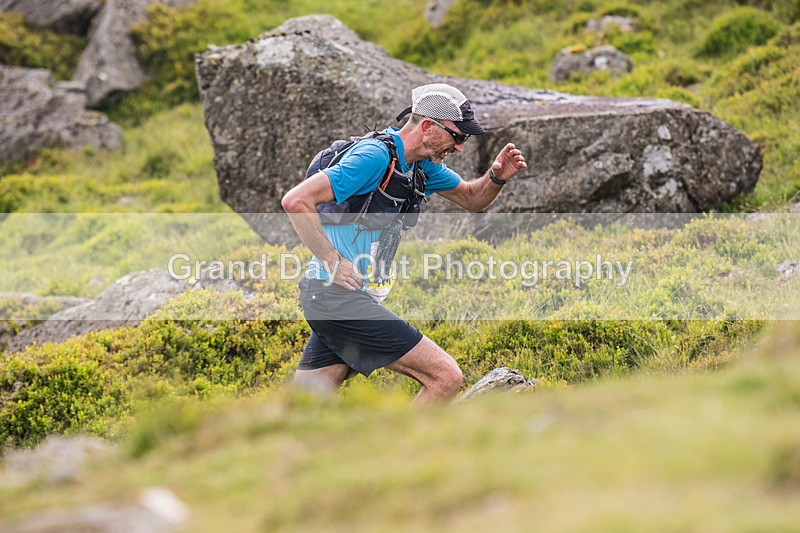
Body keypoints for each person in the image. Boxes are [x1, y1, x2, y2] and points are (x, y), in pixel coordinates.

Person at [281, 83, 527, 403]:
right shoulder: (373, 158)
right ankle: (400, 451)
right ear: (428, 127)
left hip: (338, 297)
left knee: (305, 406)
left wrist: (496, 177)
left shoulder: (420, 166)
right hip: (336, 297)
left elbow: (471, 198)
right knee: (445, 376)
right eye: (458, 136)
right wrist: (332, 260)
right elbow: (296, 201)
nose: (460, 147)